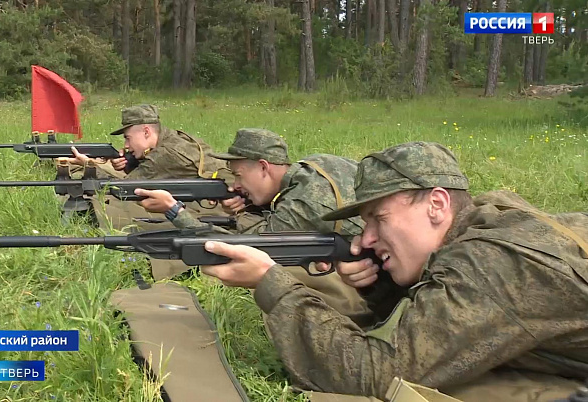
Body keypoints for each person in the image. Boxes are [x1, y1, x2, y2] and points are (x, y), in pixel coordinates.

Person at [194, 141, 588, 401]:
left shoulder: (491, 266)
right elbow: (450, 318)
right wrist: (380, 289)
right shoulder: (492, 219)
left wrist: (270, 283)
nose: (364, 240)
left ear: (437, 205)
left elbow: (375, 372)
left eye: (379, 219)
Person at [134, 128, 374, 322]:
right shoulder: (316, 165)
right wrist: (252, 205)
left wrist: (174, 211)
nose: (234, 185)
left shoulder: (300, 205)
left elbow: (235, 247)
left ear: (263, 166)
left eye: (239, 175)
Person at [68, 104, 234, 279]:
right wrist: (132, 163)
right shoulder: (174, 137)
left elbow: (124, 189)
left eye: (128, 138)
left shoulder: (165, 154)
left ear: (146, 131)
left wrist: (88, 165)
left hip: (225, 204)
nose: (126, 144)